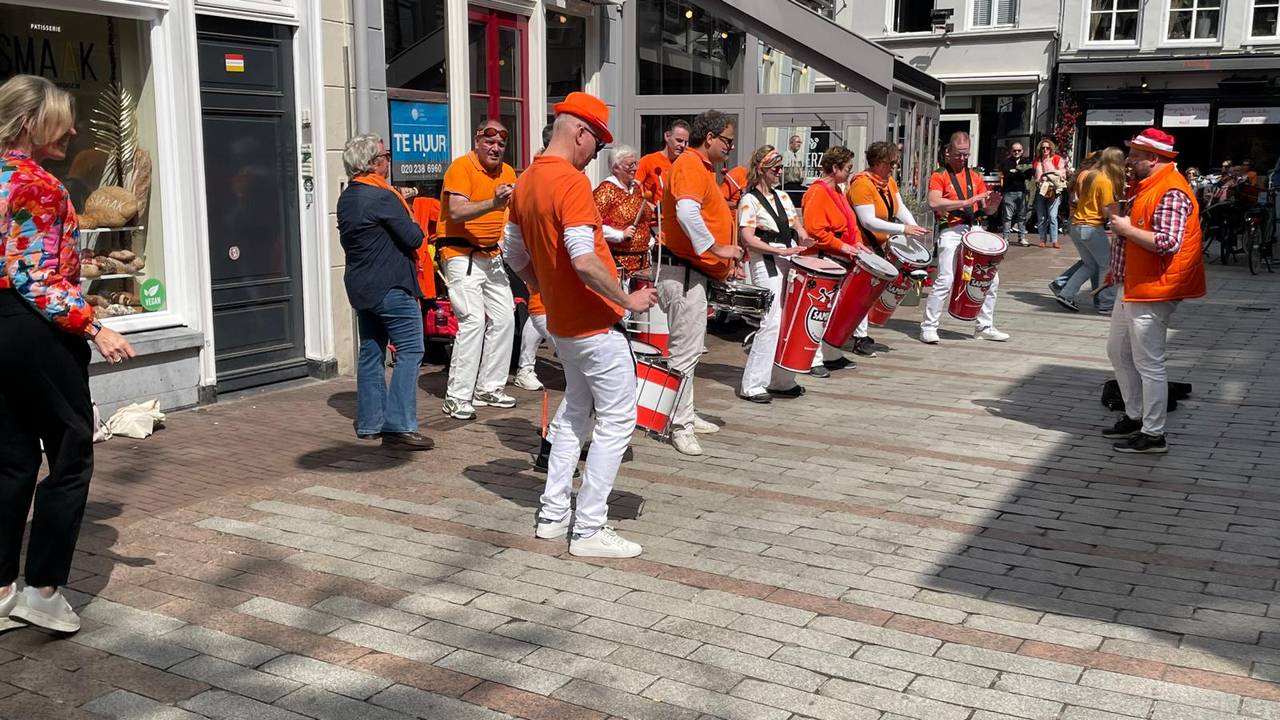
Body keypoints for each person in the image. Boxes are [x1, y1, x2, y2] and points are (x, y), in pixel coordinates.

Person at [0, 75, 137, 634]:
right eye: (62, 120)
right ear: (29, 123)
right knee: (72, 451)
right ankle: (43, 592)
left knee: (11, 459)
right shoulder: (38, 184)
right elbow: (33, 276)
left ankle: (2, 591)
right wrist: (94, 327)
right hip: (36, 330)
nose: (73, 131)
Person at [503, 91, 658, 557]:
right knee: (617, 420)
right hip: (593, 321)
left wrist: (546, 288)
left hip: (564, 322)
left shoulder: (525, 181)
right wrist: (627, 300)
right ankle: (589, 527)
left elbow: (512, 253)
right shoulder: (569, 182)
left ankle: (554, 515)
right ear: (580, 133)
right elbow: (584, 259)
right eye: (597, 143)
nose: (595, 153)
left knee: (575, 412)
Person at [1102, 128, 1205, 454]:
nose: (1129, 161)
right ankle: (1136, 415)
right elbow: (1138, 232)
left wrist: (1125, 228)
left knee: (1149, 363)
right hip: (1134, 283)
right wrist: (1117, 264)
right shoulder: (1146, 185)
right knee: (1118, 351)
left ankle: (1154, 433)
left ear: (1153, 158)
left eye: (1135, 156)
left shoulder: (1171, 190)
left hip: (1154, 288)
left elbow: (1167, 242)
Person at [335, 134, 433, 450]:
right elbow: (414, 237)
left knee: (371, 350)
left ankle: (370, 423)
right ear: (374, 163)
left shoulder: (348, 197)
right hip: (391, 285)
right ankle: (399, 425)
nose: (389, 161)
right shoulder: (383, 197)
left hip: (361, 286)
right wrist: (408, 212)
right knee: (411, 350)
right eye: (385, 156)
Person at [657, 110, 743, 456]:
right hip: (683, 273)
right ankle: (679, 425)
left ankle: (684, 414)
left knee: (689, 351)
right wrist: (716, 249)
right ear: (709, 137)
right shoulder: (691, 164)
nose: (730, 147)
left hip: (691, 273)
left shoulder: (699, 166)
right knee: (684, 352)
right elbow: (686, 212)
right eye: (727, 141)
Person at [438, 120, 519, 420]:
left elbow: (508, 212)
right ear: (477, 142)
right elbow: (456, 211)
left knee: (505, 317)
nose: (495, 148)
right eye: (489, 142)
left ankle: (489, 387)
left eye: (501, 144)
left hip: (490, 254)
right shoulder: (461, 168)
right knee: (472, 321)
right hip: (459, 253)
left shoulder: (508, 172)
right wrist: (493, 202)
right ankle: (457, 396)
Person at [736, 145, 813, 403]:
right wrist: (778, 250)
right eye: (776, 168)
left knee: (788, 320)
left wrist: (804, 237)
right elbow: (748, 239)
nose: (780, 172)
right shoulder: (749, 200)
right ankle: (753, 384)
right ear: (762, 169)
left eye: (781, 168)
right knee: (770, 322)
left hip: (788, 258)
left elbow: (797, 226)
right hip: (765, 261)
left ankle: (781, 380)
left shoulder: (783, 197)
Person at [921, 131, 1007, 345]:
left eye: (966, 154)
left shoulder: (975, 176)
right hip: (951, 230)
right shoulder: (939, 174)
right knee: (946, 278)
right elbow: (934, 202)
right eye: (958, 154)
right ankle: (929, 327)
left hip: (973, 229)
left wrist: (992, 206)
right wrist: (967, 202)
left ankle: (984, 326)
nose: (962, 158)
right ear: (948, 152)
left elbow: (984, 209)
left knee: (991, 278)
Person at [848, 141, 929, 356]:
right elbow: (868, 221)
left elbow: (899, 207)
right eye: (890, 163)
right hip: (862, 246)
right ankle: (859, 337)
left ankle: (859, 333)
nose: (894, 167)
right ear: (877, 162)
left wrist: (913, 227)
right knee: (863, 293)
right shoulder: (862, 185)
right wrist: (903, 229)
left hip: (878, 245)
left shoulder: (888, 182)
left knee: (870, 293)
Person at [801, 145, 865, 375]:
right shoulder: (817, 192)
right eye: (848, 168)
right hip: (824, 259)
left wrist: (857, 242)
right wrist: (843, 245)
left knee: (831, 311)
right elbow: (815, 230)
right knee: (819, 311)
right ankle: (813, 359)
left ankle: (830, 354)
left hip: (838, 258)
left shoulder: (837, 190)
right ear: (835, 168)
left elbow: (851, 223)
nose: (850, 173)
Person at [1054, 147, 1123, 315]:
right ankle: (1106, 304)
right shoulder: (1105, 180)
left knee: (1090, 264)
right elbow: (1106, 209)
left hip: (1077, 225)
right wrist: (1119, 219)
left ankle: (1066, 294)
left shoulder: (1090, 175)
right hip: (1091, 227)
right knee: (1107, 265)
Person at [594, 145, 653, 278]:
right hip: (619, 264)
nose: (635, 168)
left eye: (636, 164)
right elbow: (594, 225)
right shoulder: (606, 190)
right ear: (616, 167)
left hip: (643, 263)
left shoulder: (636, 188)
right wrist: (619, 235)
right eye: (630, 165)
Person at [636, 119, 689, 212]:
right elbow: (632, 188)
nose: (683, 145)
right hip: (654, 218)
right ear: (667, 136)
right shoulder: (648, 161)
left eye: (686, 142)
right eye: (679, 140)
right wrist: (649, 206)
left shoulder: (686, 164)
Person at [1034, 138, 1069, 248]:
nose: (1045, 150)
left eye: (1047, 148)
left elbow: (1063, 173)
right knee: (1041, 217)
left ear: (1051, 149)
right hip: (1041, 190)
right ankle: (1042, 239)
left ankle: (1054, 240)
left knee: (1053, 216)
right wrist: (1039, 180)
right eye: (1043, 148)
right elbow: (1035, 176)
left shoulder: (1057, 159)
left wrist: (1051, 173)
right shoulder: (1036, 161)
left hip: (1054, 190)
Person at [999, 142, 1034, 246]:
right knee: (1007, 217)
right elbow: (1007, 174)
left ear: (1022, 151)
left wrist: (1016, 172)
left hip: (1022, 192)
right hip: (1009, 192)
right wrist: (1020, 172)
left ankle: (1022, 238)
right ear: (1011, 151)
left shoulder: (1026, 161)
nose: (1017, 152)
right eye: (1014, 150)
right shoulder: (1006, 162)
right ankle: (1005, 238)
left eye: (1019, 150)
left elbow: (1029, 174)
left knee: (1022, 216)